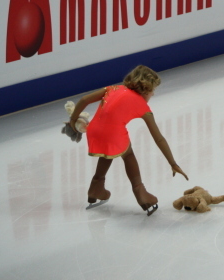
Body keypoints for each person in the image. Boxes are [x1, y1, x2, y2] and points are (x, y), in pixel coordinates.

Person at [69, 65, 189, 215]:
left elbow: (84, 99)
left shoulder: (114, 88)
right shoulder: (142, 106)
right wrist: (173, 163)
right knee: (128, 154)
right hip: (112, 134)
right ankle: (141, 193)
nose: (153, 94)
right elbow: (158, 138)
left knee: (109, 151)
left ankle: (96, 187)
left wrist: (73, 120)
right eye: (153, 90)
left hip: (93, 130)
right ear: (146, 89)